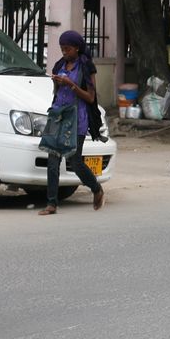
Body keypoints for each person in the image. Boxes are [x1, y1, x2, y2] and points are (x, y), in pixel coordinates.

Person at [38, 29, 105, 215]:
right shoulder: (60, 65)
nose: (64, 52)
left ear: (77, 48)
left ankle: (96, 188)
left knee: (75, 162)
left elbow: (91, 98)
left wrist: (71, 85)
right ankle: (51, 203)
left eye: (67, 49)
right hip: (57, 114)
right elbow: (57, 92)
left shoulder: (86, 67)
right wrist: (57, 82)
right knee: (52, 158)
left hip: (77, 117)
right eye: (62, 49)